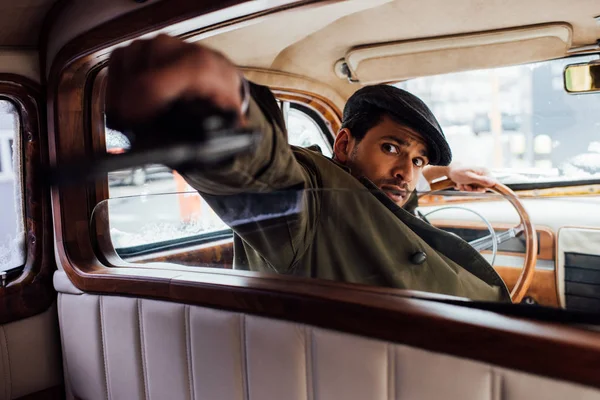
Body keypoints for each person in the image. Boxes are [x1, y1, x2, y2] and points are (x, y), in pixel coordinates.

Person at [106, 34, 510, 302]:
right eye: (391, 147)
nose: (407, 171)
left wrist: (447, 174)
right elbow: (261, 172)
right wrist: (221, 111)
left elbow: (398, 190)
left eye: (418, 160)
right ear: (344, 144)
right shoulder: (313, 199)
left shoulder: (384, 193)